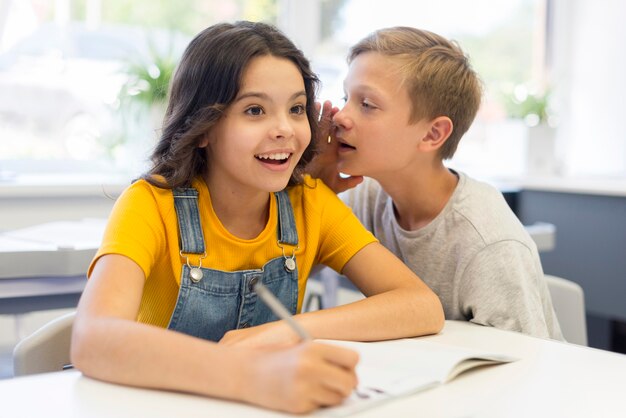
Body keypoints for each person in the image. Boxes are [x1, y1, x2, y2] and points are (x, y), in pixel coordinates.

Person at [70, 21, 444, 414]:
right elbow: (93, 339)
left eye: (296, 109)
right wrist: (253, 375)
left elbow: (420, 305)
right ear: (203, 128)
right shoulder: (149, 204)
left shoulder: (310, 204)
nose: (284, 129)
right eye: (254, 110)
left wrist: (279, 334)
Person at [312, 26, 562, 340]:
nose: (340, 116)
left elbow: (526, 366)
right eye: (346, 97)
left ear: (432, 134)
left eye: (367, 105)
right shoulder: (367, 197)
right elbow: (286, 276)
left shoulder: (488, 242)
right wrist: (311, 192)